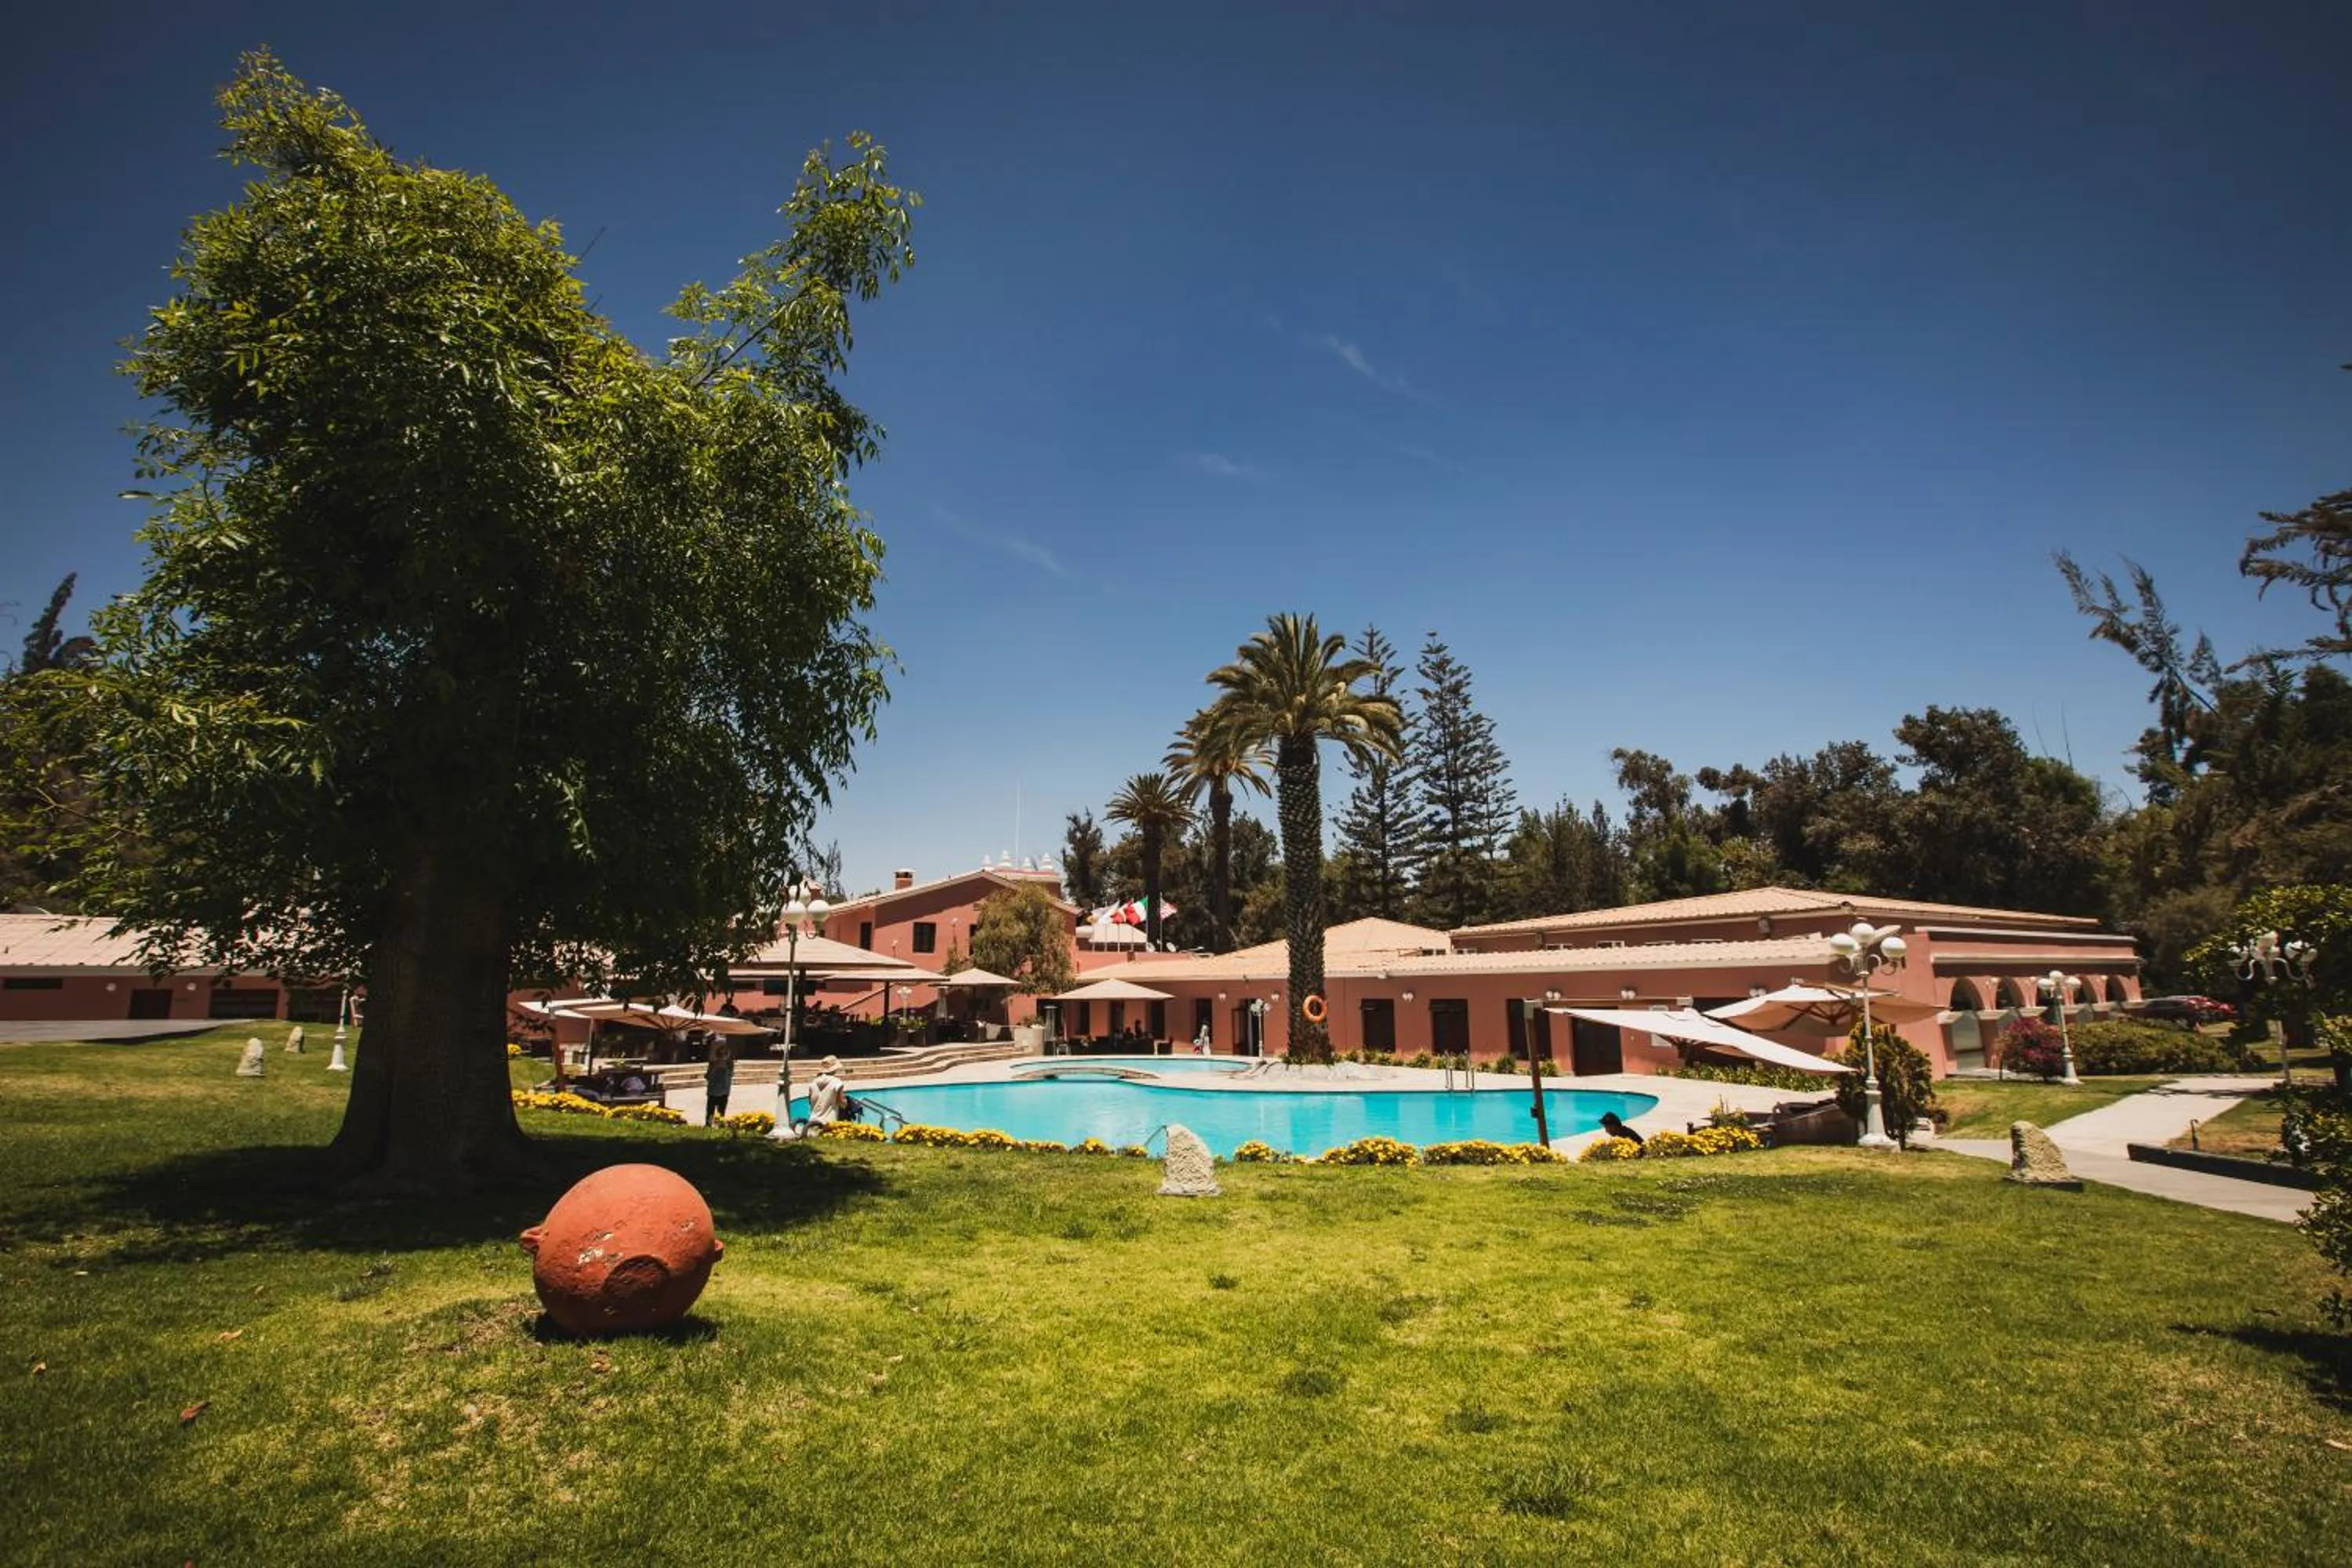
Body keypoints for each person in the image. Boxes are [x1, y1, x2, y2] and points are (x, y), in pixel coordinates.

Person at [807, 1055, 850, 1126]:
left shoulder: (813, 1083)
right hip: (829, 1123)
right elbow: (842, 1102)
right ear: (835, 1069)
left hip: (812, 1121)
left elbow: (810, 1101)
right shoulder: (837, 1082)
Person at [704, 1040, 735, 1125]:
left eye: (724, 1054)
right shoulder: (713, 1063)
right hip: (712, 1090)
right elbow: (707, 1076)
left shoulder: (729, 1063)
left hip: (724, 1091)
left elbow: (731, 1074)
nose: (722, 1056)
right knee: (710, 1112)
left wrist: (725, 1068)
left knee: (721, 1112)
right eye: (720, 1054)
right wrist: (714, 1068)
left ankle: (720, 1127)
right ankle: (708, 1126)